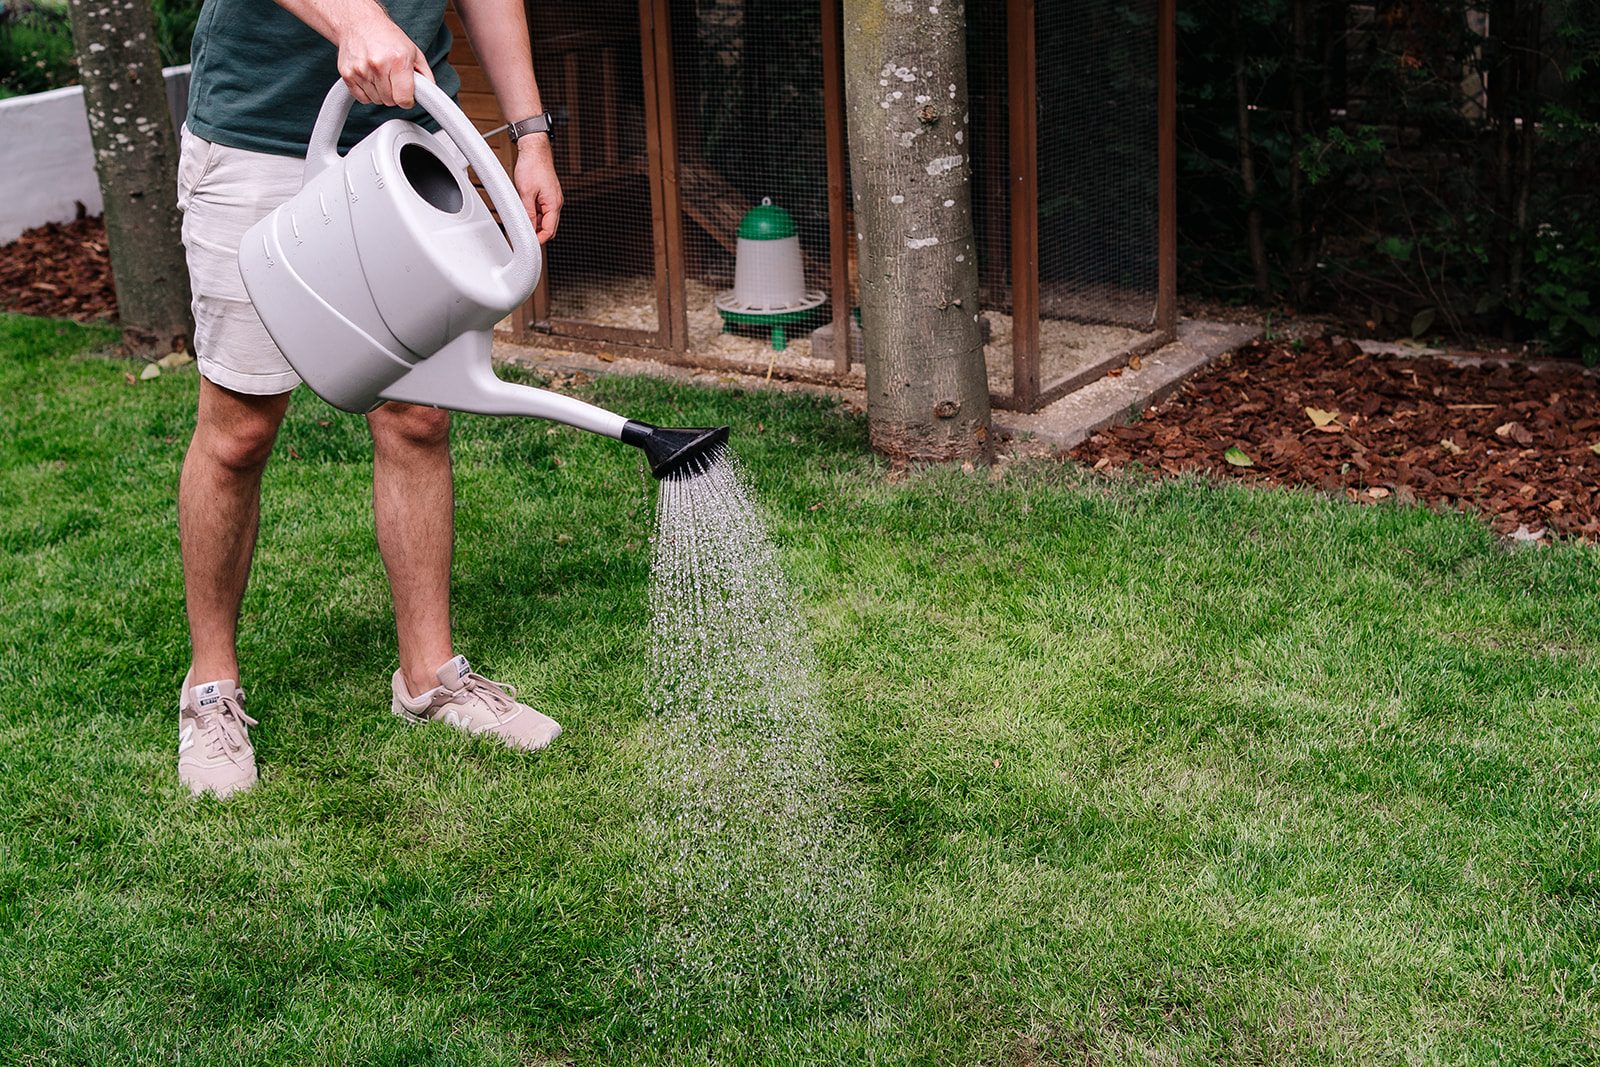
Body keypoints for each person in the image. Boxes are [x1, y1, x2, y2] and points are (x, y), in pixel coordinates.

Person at [174, 0, 564, 798]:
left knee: (419, 413)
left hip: (411, 133)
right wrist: (352, 18)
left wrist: (530, 134)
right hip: (257, 135)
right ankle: (209, 689)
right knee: (240, 430)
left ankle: (429, 677)